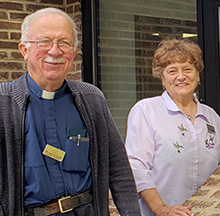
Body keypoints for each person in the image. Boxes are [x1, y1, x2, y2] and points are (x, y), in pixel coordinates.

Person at [0, 7, 141, 216]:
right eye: (44, 42)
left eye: (64, 43)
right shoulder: (4, 103)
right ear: (24, 49)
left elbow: (118, 167)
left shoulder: (91, 99)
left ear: (74, 52)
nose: (55, 51)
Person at [125, 38, 220, 216]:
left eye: (187, 69)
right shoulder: (146, 111)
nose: (181, 76)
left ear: (197, 75)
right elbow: (136, 166)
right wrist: (161, 209)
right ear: (162, 78)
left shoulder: (211, 117)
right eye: (172, 71)